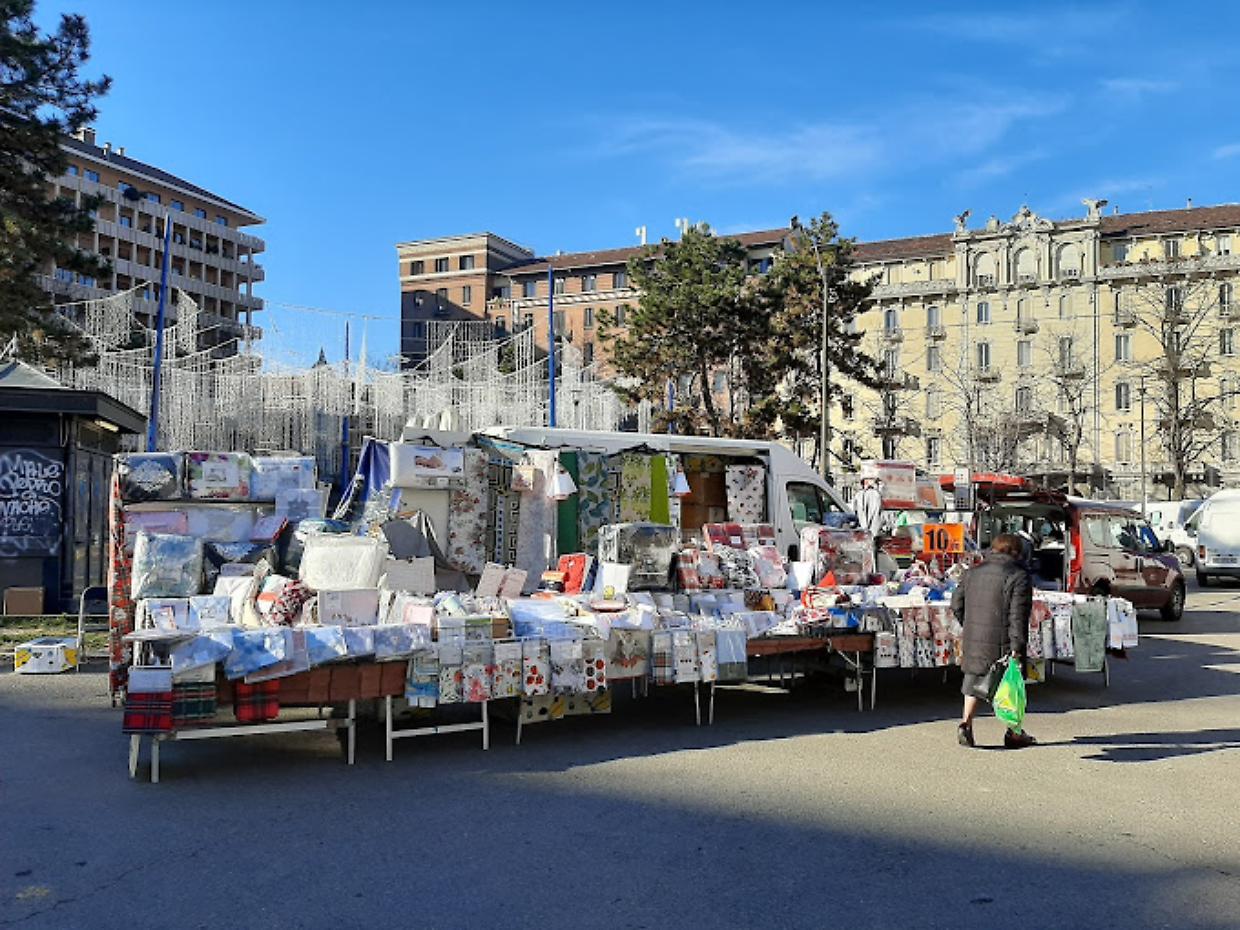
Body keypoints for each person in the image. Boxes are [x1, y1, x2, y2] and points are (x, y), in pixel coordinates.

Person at [950, 533, 1036, 749]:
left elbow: (956, 603)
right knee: (1011, 684)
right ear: (1017, 552)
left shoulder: (973, 572)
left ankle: (965, 724)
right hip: (1003, 639)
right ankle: (1014, 732)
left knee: (973, 680)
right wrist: (1017, 646)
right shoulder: (1019, 575)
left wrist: (969, 624)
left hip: (975, 637)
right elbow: (1018, 615)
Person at [853, 477, 884, 548]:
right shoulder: (877, 494)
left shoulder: (858, 495)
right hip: (873, 529)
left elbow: (855, 511)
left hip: (864, 528)